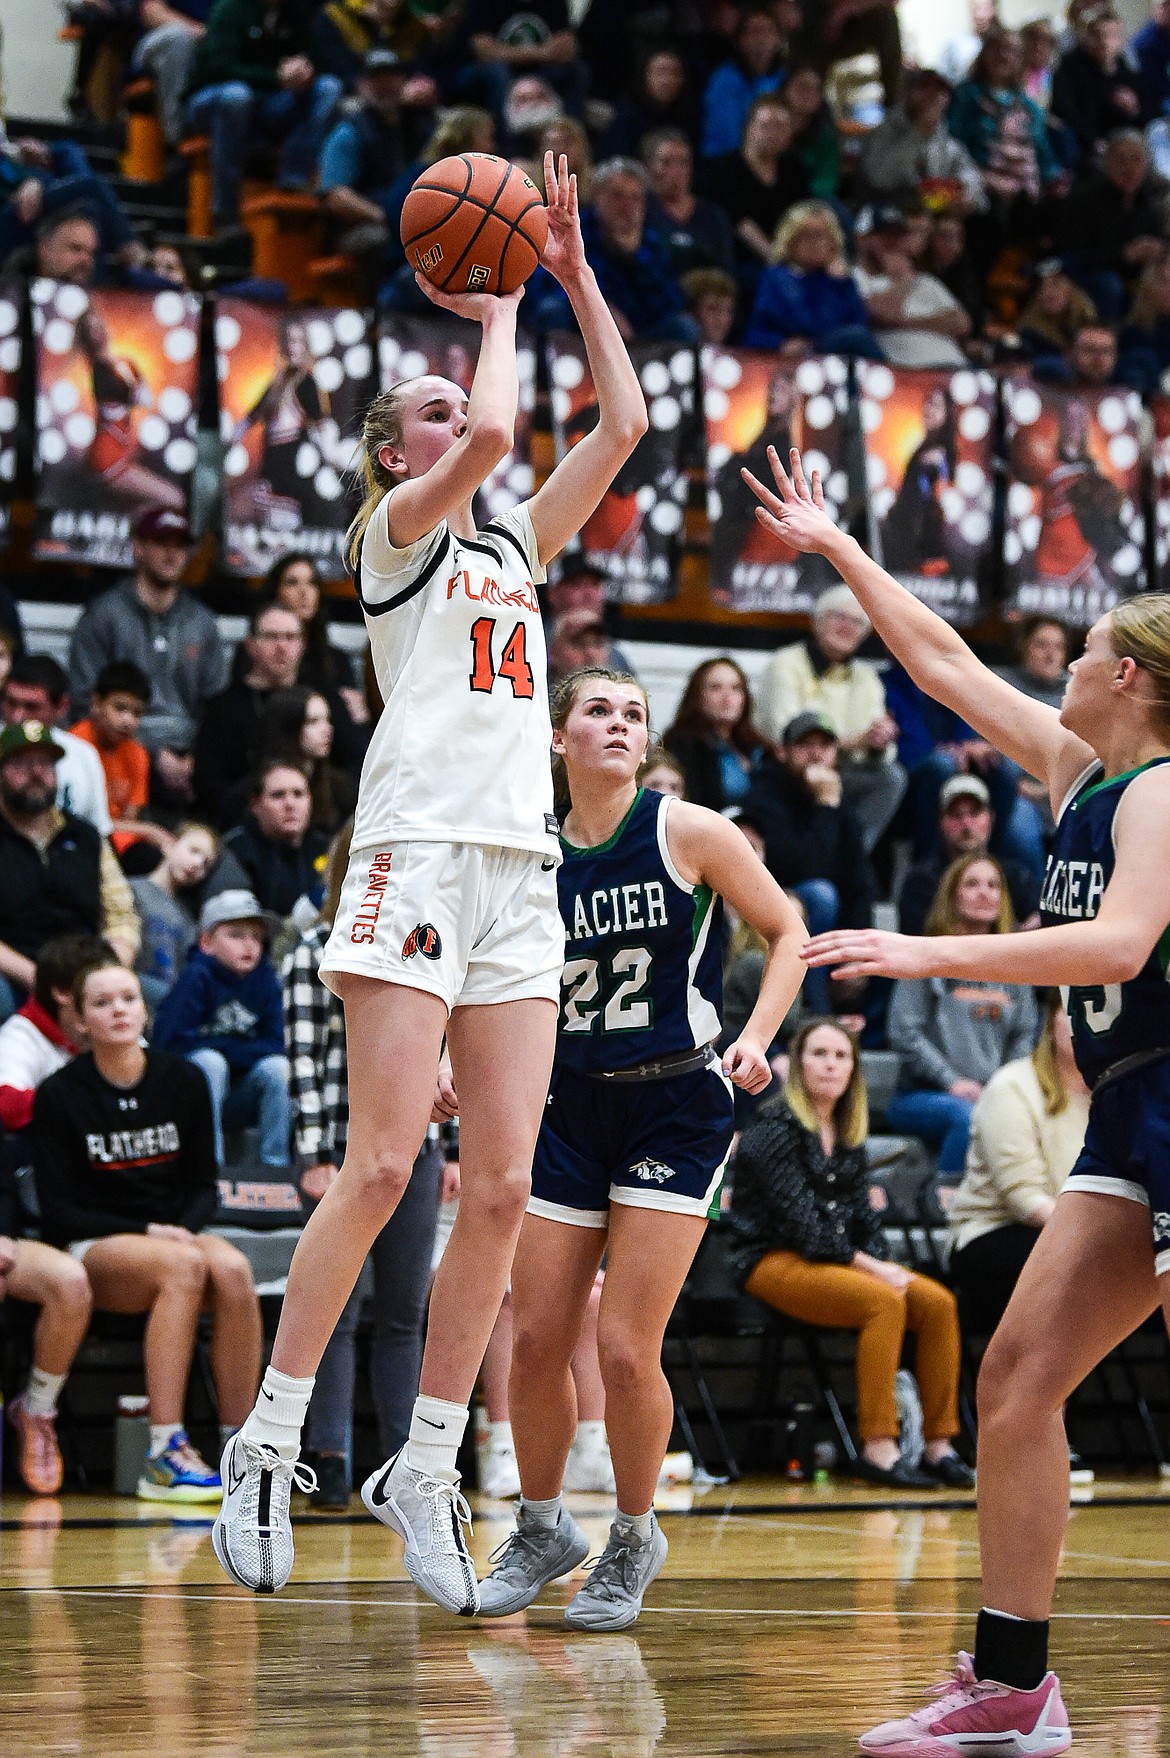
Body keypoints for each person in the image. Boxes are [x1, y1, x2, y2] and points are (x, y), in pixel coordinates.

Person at [212, 152, 650, 1611]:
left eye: (458, 402)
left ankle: (424, 1463)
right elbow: (512, 417)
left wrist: (574, 276)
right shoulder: (390, 539)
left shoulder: (515, 540)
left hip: (518, 871)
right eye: (434, 414)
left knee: (509, 1183)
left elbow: (628, 420)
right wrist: (503, 298)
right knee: (388, 1162)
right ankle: (266, 1440)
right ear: (394, 452)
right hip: (409, 853)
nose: (464, 421)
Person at [745, 443, 1170, 1752]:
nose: (1059, 660)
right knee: (1015, 1374)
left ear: (1129, 676)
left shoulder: (1161, 788)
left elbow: (1115, 945)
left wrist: (927, 950)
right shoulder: (1077, 771)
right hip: (1129, 1107)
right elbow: (938, 663)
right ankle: (1013, 1682)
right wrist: (837, 549)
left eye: (1080, 646)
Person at [475, 666, 806, 1628]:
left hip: (676, 1105)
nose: (617, 725)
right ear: (557, 736)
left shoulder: (687, 830)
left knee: (623, 1345)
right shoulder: (524, 850)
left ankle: (632, 1534)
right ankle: (542, 1528)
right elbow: (481, 969)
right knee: (537, 1338)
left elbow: (789, 930)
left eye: (633, 714)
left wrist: (757, 1037)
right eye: (597, 711)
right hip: (567, 1102)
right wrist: (460, 1054)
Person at [33, 962, 261, 1502]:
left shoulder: (182, 1080)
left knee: (232, 1268)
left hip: (171, 1235)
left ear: (145, 1009)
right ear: (81, 1020)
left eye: (129, 998)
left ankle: (243, 1449)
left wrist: (176, 1229)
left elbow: (206, 1185)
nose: (118, 1010)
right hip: (97, 1244)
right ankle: (164, 1451)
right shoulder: (60, 1095)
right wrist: (149, 1230)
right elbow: (59, 1210)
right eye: (103, 1002)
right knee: (183, 1265)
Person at [728, 1018, 973, 1489]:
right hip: (769, 1258)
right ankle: (880, 1449)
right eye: (819, 1054)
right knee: (883, 1299)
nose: (830, 1065)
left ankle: (939, 1446)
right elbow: (802, 1228)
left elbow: (864, 1218)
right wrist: (875, 1268)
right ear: (797, 1065)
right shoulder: (774, 1127)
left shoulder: (847, 1129)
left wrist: (880, 1260)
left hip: (835, 1259)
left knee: (938, 1303)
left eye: (841, 1057)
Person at [283, 823, 443, 1510]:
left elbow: (448, 1051)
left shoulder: (431, 941)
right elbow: (305, 1063)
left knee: (406, 1312)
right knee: (338, 1310)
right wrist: (317, 1153)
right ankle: (328, 1455)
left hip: (422, 1147)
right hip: (345, 1149)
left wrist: (455, 1147)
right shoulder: (312, 949)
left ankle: (402, 1460)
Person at [68, 507, 229, 811]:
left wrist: (197, 757)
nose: (172, 554)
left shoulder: (202, 622)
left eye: (180, 545)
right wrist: (154, 754)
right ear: (138, 547)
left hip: (192, 762)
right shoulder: (103, 616)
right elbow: (84, 701)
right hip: (121, 750)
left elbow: (217, 704)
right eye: (160, 543)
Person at [886, 853, 1039, 1175]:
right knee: (966, 1117)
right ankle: (947, 1207)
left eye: (993, 885)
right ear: (952, 896)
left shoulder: (1015, 963)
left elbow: (1024, 1033)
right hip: (924, 1094)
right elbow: (903, 1030)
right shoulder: (928, 956)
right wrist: (951, 1082)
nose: (984, 892)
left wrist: (1003, 1085)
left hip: (991, 1093)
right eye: (972, 884)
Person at [950, 993, 1090, 1333]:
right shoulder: (1012, 1086)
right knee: (1091, 1266)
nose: (1082, 1025)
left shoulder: (1114, 1093)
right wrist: (1096, 1241)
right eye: (1071, 1012)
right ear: (1051, 1021)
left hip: (1072, 1234)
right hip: (993, 1233)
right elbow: (1024, 1201)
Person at [0, 721, 139, 1024]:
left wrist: (111, 971)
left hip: (85, 968)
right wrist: (35, 977)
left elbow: (120, 914)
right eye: (21, 763)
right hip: (13, 970)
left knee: (159, 998)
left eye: (45, 763)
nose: (36, 773)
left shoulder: (86, 836)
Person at [740, 710, 875, 1013]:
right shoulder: (763, 796)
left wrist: (858, 953)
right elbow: (799, 866)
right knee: (820, 895)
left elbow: (859, 880)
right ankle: (814, 1011)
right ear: (783, 752)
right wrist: (825, 806)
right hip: (771, 906)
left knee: (879, 945)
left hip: (824, 920)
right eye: (805, 745)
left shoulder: (840, 801)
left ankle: (857, 1023)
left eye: (824, 746)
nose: (815, 754)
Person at [756, 586, 905, 854]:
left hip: (844, 771)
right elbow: (783, 735)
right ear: (818, 620)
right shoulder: (786, 663)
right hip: (789, 772)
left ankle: (850, 855)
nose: (847, 627)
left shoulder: (867, 678)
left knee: (891, 777)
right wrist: (854, 741)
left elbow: (885, 753)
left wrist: (878, 743)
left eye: (857, 622)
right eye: (839, 617)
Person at [153, 888, 292, 1174]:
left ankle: (275, 1169)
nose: (249, 946)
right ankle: (209, 1169)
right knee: (210, 1062)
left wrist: (223, 1047)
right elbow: (170, 1046)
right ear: (206, 942)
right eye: (236, 935)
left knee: (278, 1068)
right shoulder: (195, 978)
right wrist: (233, 1052)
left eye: (256, 937)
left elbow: (277, 1045)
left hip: (239, 1094)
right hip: (190, 1098)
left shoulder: (266, 980)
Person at [185, 0, 344, 228]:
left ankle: (294, 177)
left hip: (269, 101)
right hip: (210, 100)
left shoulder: (296, 13)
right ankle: (224, 209)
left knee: (329, 87)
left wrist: (305, 71)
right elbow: (218, 68)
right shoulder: (230, 8)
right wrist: (276, 77)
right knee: (236, 97)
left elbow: (321, 61)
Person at [193, 602, 305, 820]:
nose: (282, 647)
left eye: (291, 637)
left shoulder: (321, 701)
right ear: (250, 645)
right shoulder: (222, 708)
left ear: (303, 645)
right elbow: (208, 786)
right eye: (272, 637)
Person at [898, 774, 1041, 937]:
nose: (966, 824)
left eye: (974, 813)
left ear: (991, 818)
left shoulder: (1018, 876)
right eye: (956, 815)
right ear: (940, 821)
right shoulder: (920, 881)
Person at [0, 935, 116, 1133]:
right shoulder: (20, 1035)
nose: (117, 1006)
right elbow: (7, 1105)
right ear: (63, 992)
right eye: (102, 996)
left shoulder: (117, 1024)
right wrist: (92, 1100)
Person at [744, 201, 880, 358]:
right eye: (806, 236)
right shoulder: (778, 277)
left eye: (821, 236)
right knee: (855, 337)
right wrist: (780, 343)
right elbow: (809, 325)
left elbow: (860, 322)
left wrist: (840, 283)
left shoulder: (840, 279)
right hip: (793, 358)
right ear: (791, 241)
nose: (814, 243)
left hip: (837, 357)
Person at [71, 660, 170, 864]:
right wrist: (149, 830)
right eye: (120, 708)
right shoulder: (75, 747)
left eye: (137, 713)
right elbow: (77, 820)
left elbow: (129, 819)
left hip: (121, 842)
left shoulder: (137, 754)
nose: (128, 720)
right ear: (96, 704)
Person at [703, 97, 809, 282]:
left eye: (781, 127)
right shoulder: (725, 169)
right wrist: (780, 262)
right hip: (744, 261)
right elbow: (740, 224)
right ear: (748, 128)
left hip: (790, 256)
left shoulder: (793, 169)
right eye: (766, 126)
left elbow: (803, 215)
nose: (773, 133)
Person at [3, 656, 111, 836]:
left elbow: (98, 833)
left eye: (31, 707)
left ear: (62, 706)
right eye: (11, 703)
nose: (17, 717)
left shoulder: (83, 756)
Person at [859, 67, 987, 214]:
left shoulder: (947, 141)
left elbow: (969, 175)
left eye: (940, 90)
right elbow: (880, 179)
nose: (932, 95)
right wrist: (918, 134)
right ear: (907, 93)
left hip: (932, 216)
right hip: (884, 211)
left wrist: (965, 190)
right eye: (925, 87)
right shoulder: (884, 132)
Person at [221, 761, 331, 915]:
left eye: (298, 794)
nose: (290, 804)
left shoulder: (327, 848)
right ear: (255, 805)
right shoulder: (235, 850)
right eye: (278, 795)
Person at [130, 822, 222, 1005]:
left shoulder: (187, 921)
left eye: (206, 864)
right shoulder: (131, 890)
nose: (197, 864)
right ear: (169, 845)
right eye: (194, 851)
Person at [662, 656, 764, 813]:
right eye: (715, 687)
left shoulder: (758, 748)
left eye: (736, 688)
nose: (727, 696)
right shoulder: (681, 747)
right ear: (697, 696)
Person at [643, 129, 735, 278]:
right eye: (666, 162)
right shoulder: (641, 211)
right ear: (648, 166)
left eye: (683, 162)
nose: (675, 171)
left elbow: (726, 269)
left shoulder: (713, 216)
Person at [700, 6, 785, 160]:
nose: (761, 39)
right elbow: (724, 133)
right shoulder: (724, 79)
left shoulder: (785, 78)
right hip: (726, 161)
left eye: (768, 31)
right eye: (754, 32)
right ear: (741, 41)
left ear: (779, 40)